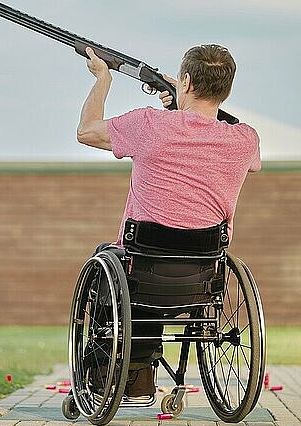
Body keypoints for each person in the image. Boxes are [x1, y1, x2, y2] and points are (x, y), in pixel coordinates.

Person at [77, 43, 261, 396]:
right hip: (203, 278)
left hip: (140, 275)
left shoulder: (149, 124)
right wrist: (187, 107)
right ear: (228, 89)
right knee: (137, 266)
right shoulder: (244, 139)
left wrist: (103, 77)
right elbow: (246, 155)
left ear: (186, 81)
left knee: (107, 258)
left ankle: (117, 376)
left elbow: (86, 131)